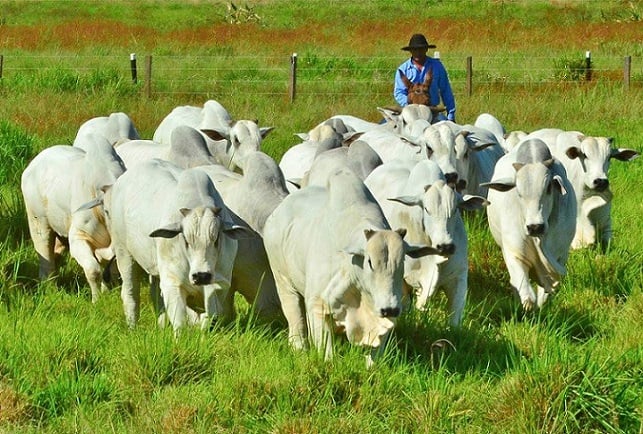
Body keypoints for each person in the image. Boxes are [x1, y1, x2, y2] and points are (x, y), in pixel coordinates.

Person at [394, 33, 456, 123]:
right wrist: (410, 101)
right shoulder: (403, 69)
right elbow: (399, 92)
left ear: (426, 49)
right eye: (415, 49)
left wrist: (451, 115)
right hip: (410, 111)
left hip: (432, 111)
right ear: (410, 51)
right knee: (385, 127)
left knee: (447, 130)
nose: (418, 52)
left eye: (421, 49)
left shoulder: (437, 66)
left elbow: (445, 90)